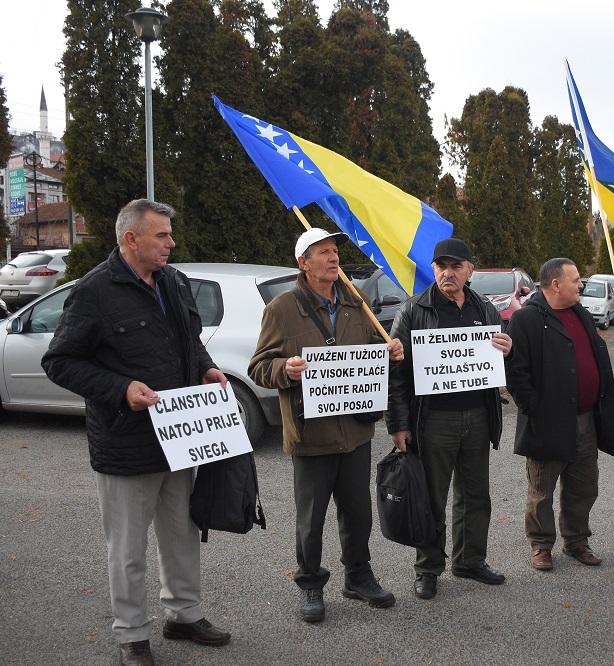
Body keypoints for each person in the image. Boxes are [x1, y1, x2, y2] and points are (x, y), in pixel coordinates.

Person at [41, 199, 231, 666]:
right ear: (131, 239)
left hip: (181, 436)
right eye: (162, 235)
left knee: (182, 533)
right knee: (127, 548)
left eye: (169, 234)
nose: (172, 243)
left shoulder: (175, 281)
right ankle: (131, 634)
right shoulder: (95, 291)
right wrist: (121, 388)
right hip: (126, 442)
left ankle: (184, 615)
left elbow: (190, 344)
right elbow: (59, 361)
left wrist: (205, 369)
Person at [248, 227, 404, 623]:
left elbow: (370, 354)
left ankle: (358, 577)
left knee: (358, 513)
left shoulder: (356, 303)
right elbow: (259, 368)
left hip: (355, 430)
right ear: (304, 263)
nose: (333, 258)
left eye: (335, 250)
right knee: (311, 519)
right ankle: (311, 585)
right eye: (323, 252)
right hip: (310, 434)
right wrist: (285, 368)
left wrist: (389, 351)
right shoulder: (282, 309)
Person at [386, 238, 513, 600]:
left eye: (455, 266)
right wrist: (398, 423)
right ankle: (428, 568)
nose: (447, 273)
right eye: (441, 266)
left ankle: (470, 561)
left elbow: (496, 364)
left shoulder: (486, 310)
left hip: (477, 416)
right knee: (431, 499)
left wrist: (509, 349)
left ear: (470, 270)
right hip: (433, 420)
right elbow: (396, 374)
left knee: (476, 496)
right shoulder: (413, 311)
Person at [506, 258, 614, 571]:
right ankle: (541, 545)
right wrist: (535, 409)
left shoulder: (580, 314)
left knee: (584, 486)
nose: (581, 285)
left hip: (585, 418)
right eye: (575, 280)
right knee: (541, 490)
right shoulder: (526, 320)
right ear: (555, 284)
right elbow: (516, 373)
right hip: (547, 422)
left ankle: (577, 540)